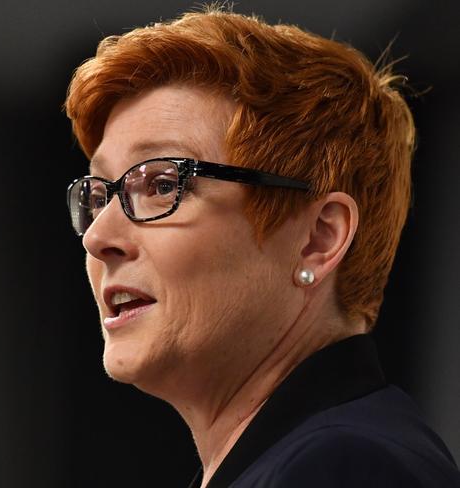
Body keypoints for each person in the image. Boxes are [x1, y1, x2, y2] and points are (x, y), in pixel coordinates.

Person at [64, 7, 460, 488]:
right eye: (100, 195)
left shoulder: (344, 466)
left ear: (319, 238)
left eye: (163, 185)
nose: (99, 237)